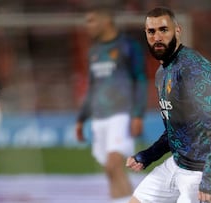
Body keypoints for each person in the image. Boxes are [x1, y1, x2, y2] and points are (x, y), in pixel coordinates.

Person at [126, 7, 211, 203]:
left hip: (206, 169)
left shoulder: (193, 67)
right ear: (146, 34)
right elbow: (177, 131)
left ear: (177, 30)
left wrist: (209, 179)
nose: (157, 36)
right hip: (179, 164)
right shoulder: (163, 72)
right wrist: (148, 155)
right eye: (151, 31)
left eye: (163, 29)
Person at [75, 5, 148, 203]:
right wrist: (81, 119)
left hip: (121, 113)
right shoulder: (94, 52)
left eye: (91, 20)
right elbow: (92, 87)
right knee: (113, 173)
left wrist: (138, 114)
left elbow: (140, 79)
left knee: (113, 165)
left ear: (105, 21)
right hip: (99, 117)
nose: (88, 26)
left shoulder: (128, 46)